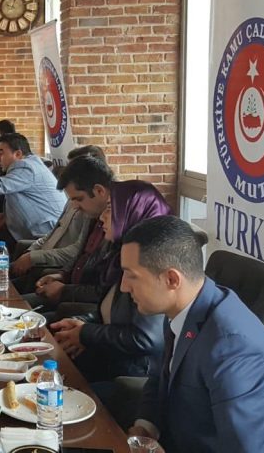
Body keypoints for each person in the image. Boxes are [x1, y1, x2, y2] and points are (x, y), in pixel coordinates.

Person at [123, 216, 264, 452]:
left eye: (131, 275)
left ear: (172, 279)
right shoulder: (182, 307)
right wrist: (146, 428)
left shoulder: (233, 348)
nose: (123, 286)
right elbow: (162, 376)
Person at [48, 187, 166, 383]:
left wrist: (87, 333)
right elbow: (110, 311)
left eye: (110, 209)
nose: (102, 217)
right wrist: (82, 324)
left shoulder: (151, 264)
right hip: (110, 360)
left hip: (130, 376)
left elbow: (144, 338)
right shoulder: (120, 253)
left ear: (133, 213)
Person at [29, 158, 171, 313]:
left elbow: (107, 295)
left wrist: (65, 291)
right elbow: (83, 256)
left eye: (78, 199)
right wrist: (64, 276)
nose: (75, 207)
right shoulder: (96, 216)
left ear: (99, 191)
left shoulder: (130, 241)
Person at [11, 145, 106, 293]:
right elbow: (55, 230)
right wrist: (33, 251)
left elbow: (77, 252)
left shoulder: (93, 209)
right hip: (58, 263)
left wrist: (35, 257)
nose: (68, 173)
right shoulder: (75, 197)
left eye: (74, 169)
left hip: (61, 266)